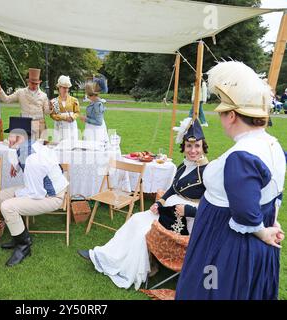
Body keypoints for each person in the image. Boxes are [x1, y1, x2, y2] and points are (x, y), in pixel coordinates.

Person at [176, 61, 286, 300]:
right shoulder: (274, 145)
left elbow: (245, 211)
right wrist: (272, 223)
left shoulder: (242, 156)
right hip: (253, 238)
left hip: (226, 241)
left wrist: (261, 231)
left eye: (222, 113)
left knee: (211, 290)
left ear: (232, 116)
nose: (220, 119)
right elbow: (276, 192)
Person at [77, 118, 208, 290]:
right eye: (189, 146)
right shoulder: (184, 165)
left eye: (197, 146)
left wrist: (190, 210)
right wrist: (160, 202)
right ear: (183, 147)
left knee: (142, 232)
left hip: (183, 221)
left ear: (203, 147)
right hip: (167, 211)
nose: (193, 150)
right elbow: (173, 189)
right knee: (135, 219)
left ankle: (136, 269)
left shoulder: (207, 171)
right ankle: (103, 256)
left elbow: (212, 206)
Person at [0, 117, 69, 267]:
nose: (7, 139)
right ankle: (18, 235)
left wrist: (17, 195)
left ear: (19, 137)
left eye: (10, 135)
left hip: (52, 197)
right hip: (40, 189)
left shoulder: (33, 159)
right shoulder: (28, 146)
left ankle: (24, 246)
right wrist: (15, 165)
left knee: (7, 206)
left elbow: (36, 194)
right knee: (2, 196)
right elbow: (17, 155)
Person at [0, 68, 52, 140]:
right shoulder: (20, 92)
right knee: (24, 146)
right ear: (28, 82)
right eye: (32, 83)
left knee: (38, 147)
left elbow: (46, 112)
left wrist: (51, 107)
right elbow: (7, 99)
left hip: (39, 125)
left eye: (36, 84)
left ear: (39, 83)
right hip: (24, 124)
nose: (34, 85)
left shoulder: (43, 95)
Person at [50, 75, 80, 142]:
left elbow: (77, 112)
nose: (66, 90)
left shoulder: (74, 100)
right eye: (64, 88)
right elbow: (53, 115)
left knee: (72, 143)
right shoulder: (54, 101)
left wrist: (72, 117)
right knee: (60, 143)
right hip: (60, 125)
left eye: (67, 88)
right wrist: (64, 117)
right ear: (59, 88)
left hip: (71, 125)